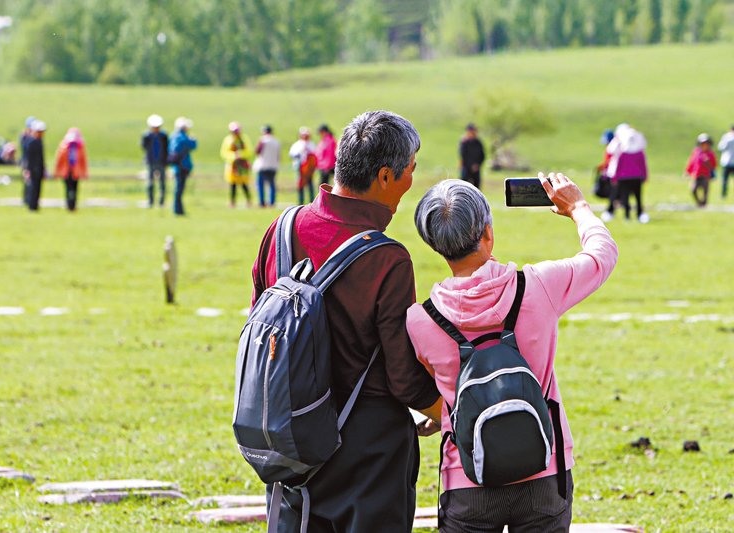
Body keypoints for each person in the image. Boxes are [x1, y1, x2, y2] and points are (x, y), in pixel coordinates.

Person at [251, 110, 442, 533]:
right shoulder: (387, 258)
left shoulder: (281, 229)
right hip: (367, 449)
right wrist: (449, 412)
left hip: (288, 436)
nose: (413, 181)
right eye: (411, 170)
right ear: (386, 177)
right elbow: (403, 378)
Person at [407, 175, 618, 533]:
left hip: (467, 478)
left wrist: (444, 414)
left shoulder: (419, 321)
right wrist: (578, 207)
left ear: (435, 245)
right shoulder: (540, 285)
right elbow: (602, 254)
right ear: (488, 233)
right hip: (545, 469)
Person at [601, 123, 649, 223]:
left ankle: (627, 216)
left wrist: (614, 176)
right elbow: (643, 164)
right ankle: (639, 214)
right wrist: (644, 175)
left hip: (623, 177)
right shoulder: (639, 151)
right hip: (637, 176)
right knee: (637, 196)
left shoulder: (622, 152)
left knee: (625, 196)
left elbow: (617, 164)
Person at [53, 127, 89, 212]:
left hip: (76, 171)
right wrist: (57, 172)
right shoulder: (64, 146)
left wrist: (84, 173)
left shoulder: (80, 147)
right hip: (66, 171)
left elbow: (83, 161)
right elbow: (59, 160)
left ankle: (73, 205)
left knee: (75, 188)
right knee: (68, 188)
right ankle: (69, 204)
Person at [168, 117, 197, 216]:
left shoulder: (173, 136)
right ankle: (178, 210)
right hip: (182, 165)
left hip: (177, 165)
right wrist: (193, 139)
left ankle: (178, 209)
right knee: (179, 188)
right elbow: (193, 145)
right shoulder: (182, 137)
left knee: (178, 187)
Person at [220, 122, 253, 208]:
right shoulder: (228, 140)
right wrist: (233, 156)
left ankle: (249, 200)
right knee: (233, 185)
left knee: (244, 184)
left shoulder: (244, 139)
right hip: (233, 166)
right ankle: (232, 201)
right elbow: (224, 153)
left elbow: (249, 151)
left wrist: (241, 154)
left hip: (242, 166)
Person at [141, 114, 169, 208]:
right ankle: (151, 201)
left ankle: (161, 201)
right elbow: (144, 147)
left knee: (162, 183)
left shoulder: (163, 136)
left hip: (161, 161)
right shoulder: (147, 136)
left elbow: (166, 148)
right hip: (151, 161)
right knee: (150, 183)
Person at [685, 133, 717, 207]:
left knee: (705, 190)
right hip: (696, 174)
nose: (705, 145)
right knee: (693, 189)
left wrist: (708, 162)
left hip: (705, 175)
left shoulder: (710, 153)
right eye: (703, 144)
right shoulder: (696, 152)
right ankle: (698, 202)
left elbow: (714, 165)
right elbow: (691, 162)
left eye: (706, 144)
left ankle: (704, 203)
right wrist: (687, 171)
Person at [253, 125, 281, 208]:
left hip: (263, 165)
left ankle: (262, 202)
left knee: (261, 185)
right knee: (272, 185)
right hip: (273, 165)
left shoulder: (262, 140)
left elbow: (257, 151)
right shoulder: (276, 141)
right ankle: (272, 202)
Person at [289, 126, 317, 205]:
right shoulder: (297, 145)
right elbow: (292, 154)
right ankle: (301, 201)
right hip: (300, 166)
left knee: (310, 184)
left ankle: (311, 200)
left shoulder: (311, 144)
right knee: (300, 184)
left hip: (309, 167)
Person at [24, 120, 47, 211]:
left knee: (38, 187)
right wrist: (28, 169)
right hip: (32, 169)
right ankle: (32, 205)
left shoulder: (40, 141)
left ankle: (36, 205)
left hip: (39, 169)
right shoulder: (31, 142)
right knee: (32, 187)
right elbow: (29, 157)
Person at [459, 123, 485, 188]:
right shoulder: (465, 142)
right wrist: (471, 165)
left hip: (476, 169)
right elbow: (463, 155)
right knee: (464, 186)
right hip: (466, 168)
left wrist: (477, 164)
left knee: (476, 187)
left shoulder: (478, 143)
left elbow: (482, 155)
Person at [19, 116, 36, 206]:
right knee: (27, 180)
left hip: (30, 161)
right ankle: (26, 199)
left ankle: (29, 198)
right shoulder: (25, 136)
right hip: (26, 161)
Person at [717, 125, 734, 199]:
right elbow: (721, 147)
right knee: (725, 180)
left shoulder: (727, 137)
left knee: (725, 179)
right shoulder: (727, 137)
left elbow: (721, 147)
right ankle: (723, 194)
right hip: (727, 161)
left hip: (728, 162)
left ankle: (723, 194)